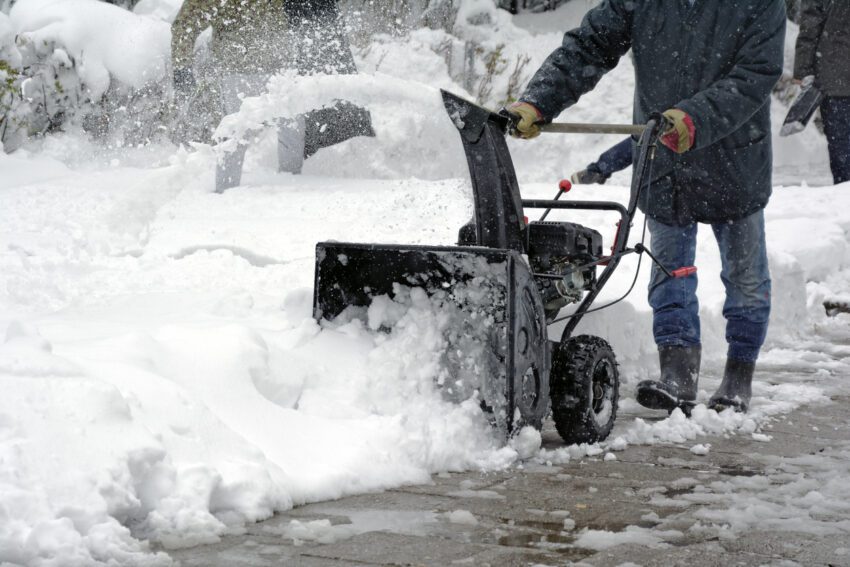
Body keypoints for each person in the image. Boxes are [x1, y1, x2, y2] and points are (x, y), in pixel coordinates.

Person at [508, 0, 786, 414]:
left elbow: (755, 75)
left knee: (745, 278)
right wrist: (538, 102)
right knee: (668, 269)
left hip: (735, 161)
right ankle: (677, 375)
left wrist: (695, 118)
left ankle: (738, 376)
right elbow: (589, 46)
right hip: (665, 160)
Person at [171, 0, 373, 192]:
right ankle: (225, 192)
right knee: (236, 135)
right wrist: (181, 69)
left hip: (280, 69)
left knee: (291, 131)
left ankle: (290, 187)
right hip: (238, 72)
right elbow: (185, 23)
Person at [794, 0, 850, 185]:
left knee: (840, 146)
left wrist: (803, 70)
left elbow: (810, 27)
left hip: (834, 77)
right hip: (835, 78)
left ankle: (843, 193)